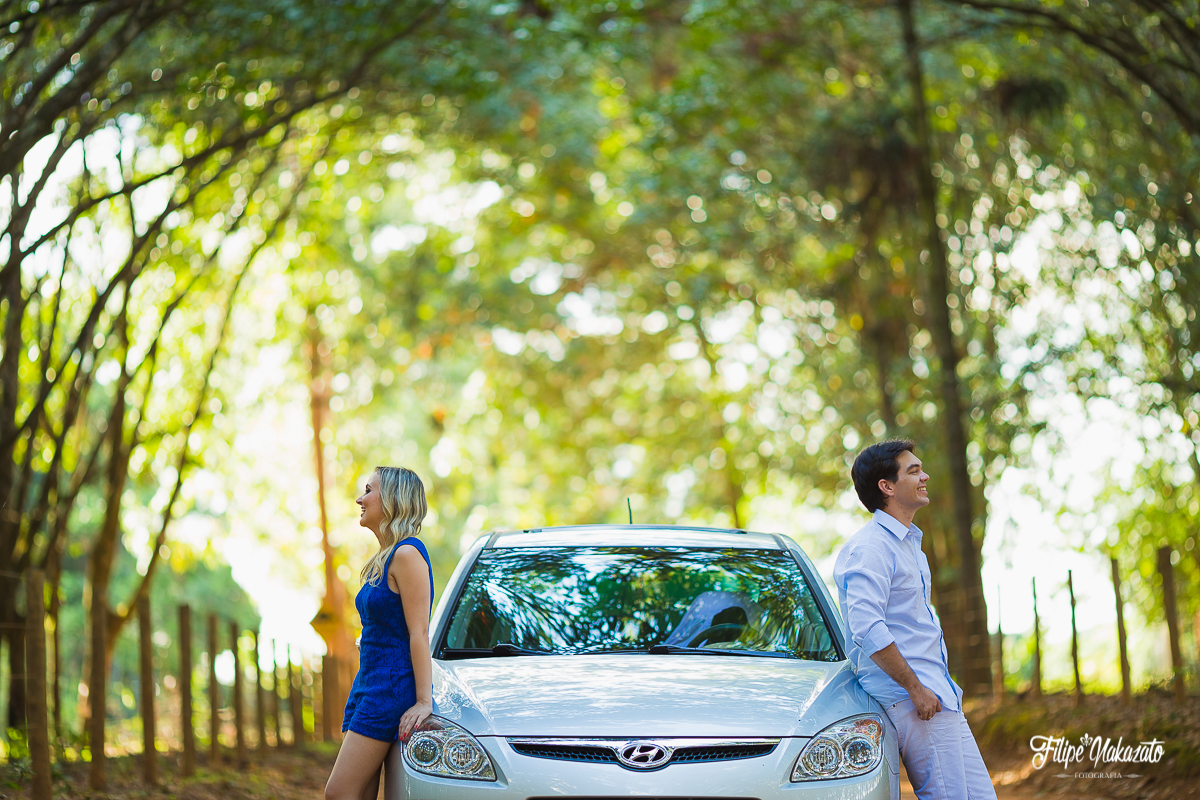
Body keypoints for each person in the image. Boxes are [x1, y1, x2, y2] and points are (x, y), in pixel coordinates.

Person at [833, 440, 996, 800]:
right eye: (913, 471)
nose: (925, 476)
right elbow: (867, 626)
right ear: (886, 487)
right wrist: (915, 688)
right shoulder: (871, 547)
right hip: (914, 700)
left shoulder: (908, 544)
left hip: (937, 696)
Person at [325, 466, 435, 800]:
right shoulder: (385, 558)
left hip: (388, 689)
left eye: (369, 490)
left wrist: (423, 700)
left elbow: (419, 633)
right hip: (368, 683)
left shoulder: (407, 554)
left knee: (339, 793)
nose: (360, 498)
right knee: (359, 794)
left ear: (392, 499)